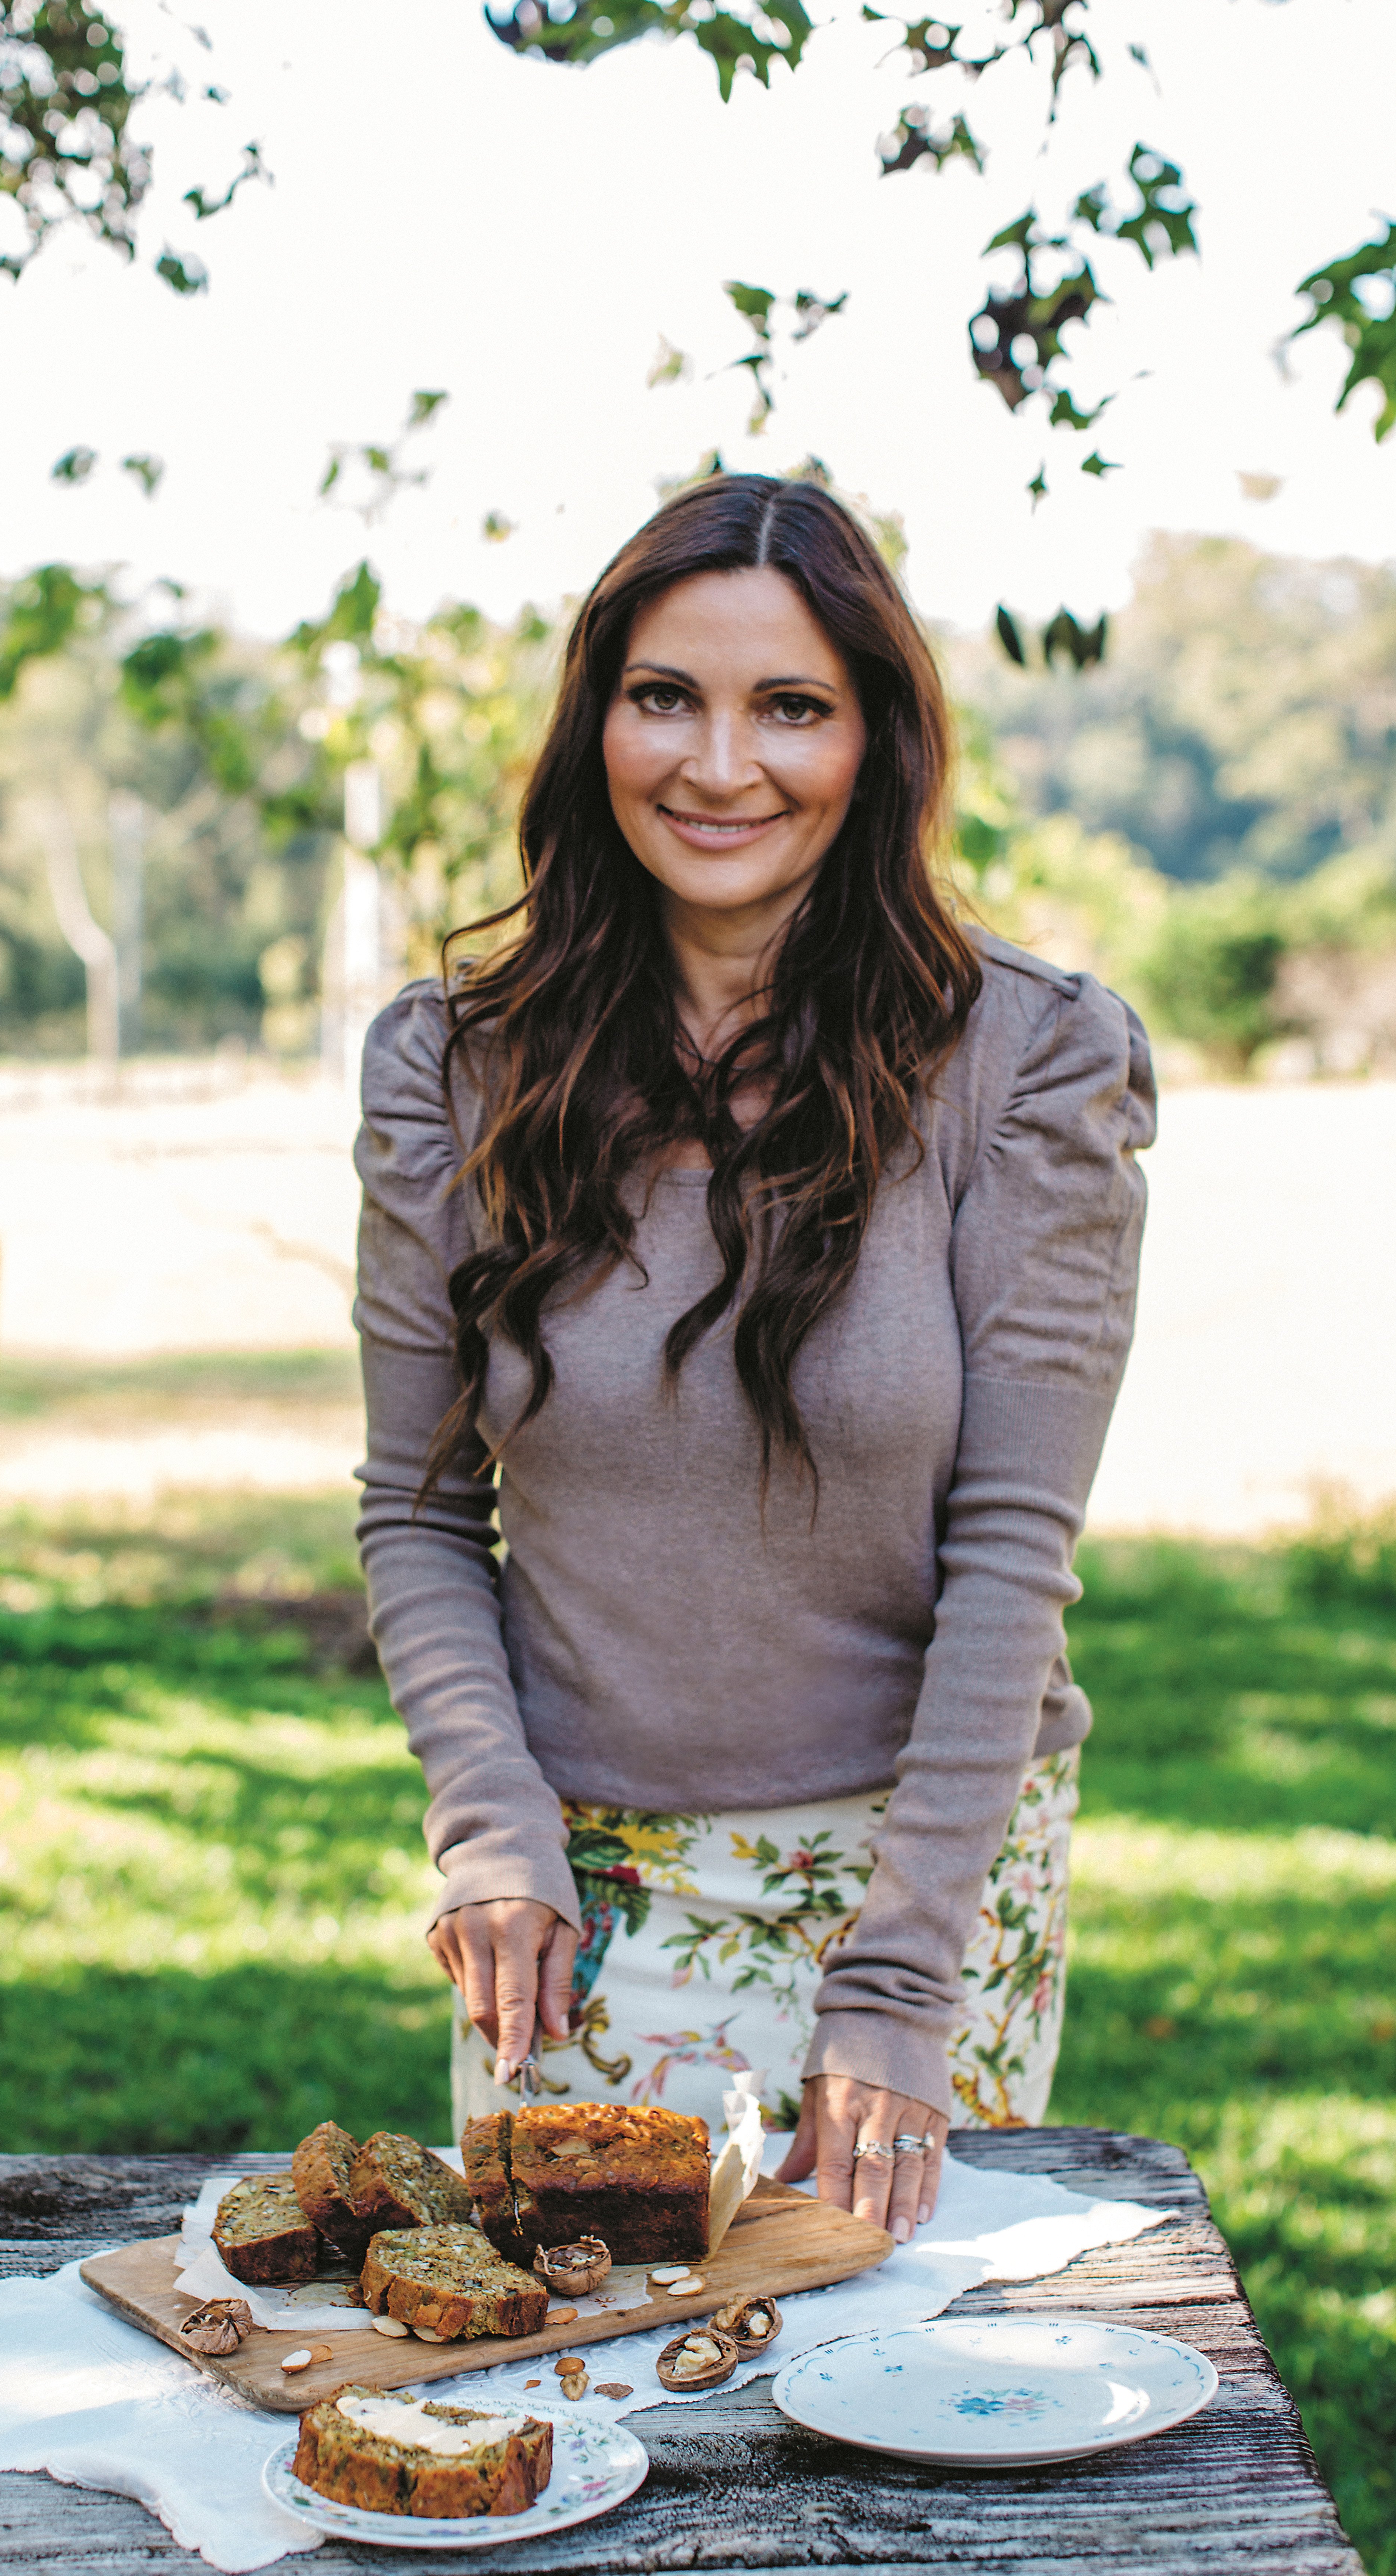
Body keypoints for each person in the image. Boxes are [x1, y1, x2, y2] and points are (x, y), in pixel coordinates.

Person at [352, 473, 1153, 2245]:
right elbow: (416, 1509)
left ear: (874, 739)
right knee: (585, 2397)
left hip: (922, 1877)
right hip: (577, 1892)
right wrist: (490, 1833)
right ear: (598, 721)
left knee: (886, 2408)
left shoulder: (1026, 1064)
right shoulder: (449, 1066)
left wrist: (900, 1977)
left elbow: (1012, 1549)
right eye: (667, 697)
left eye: (788, 705)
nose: (720, 764)